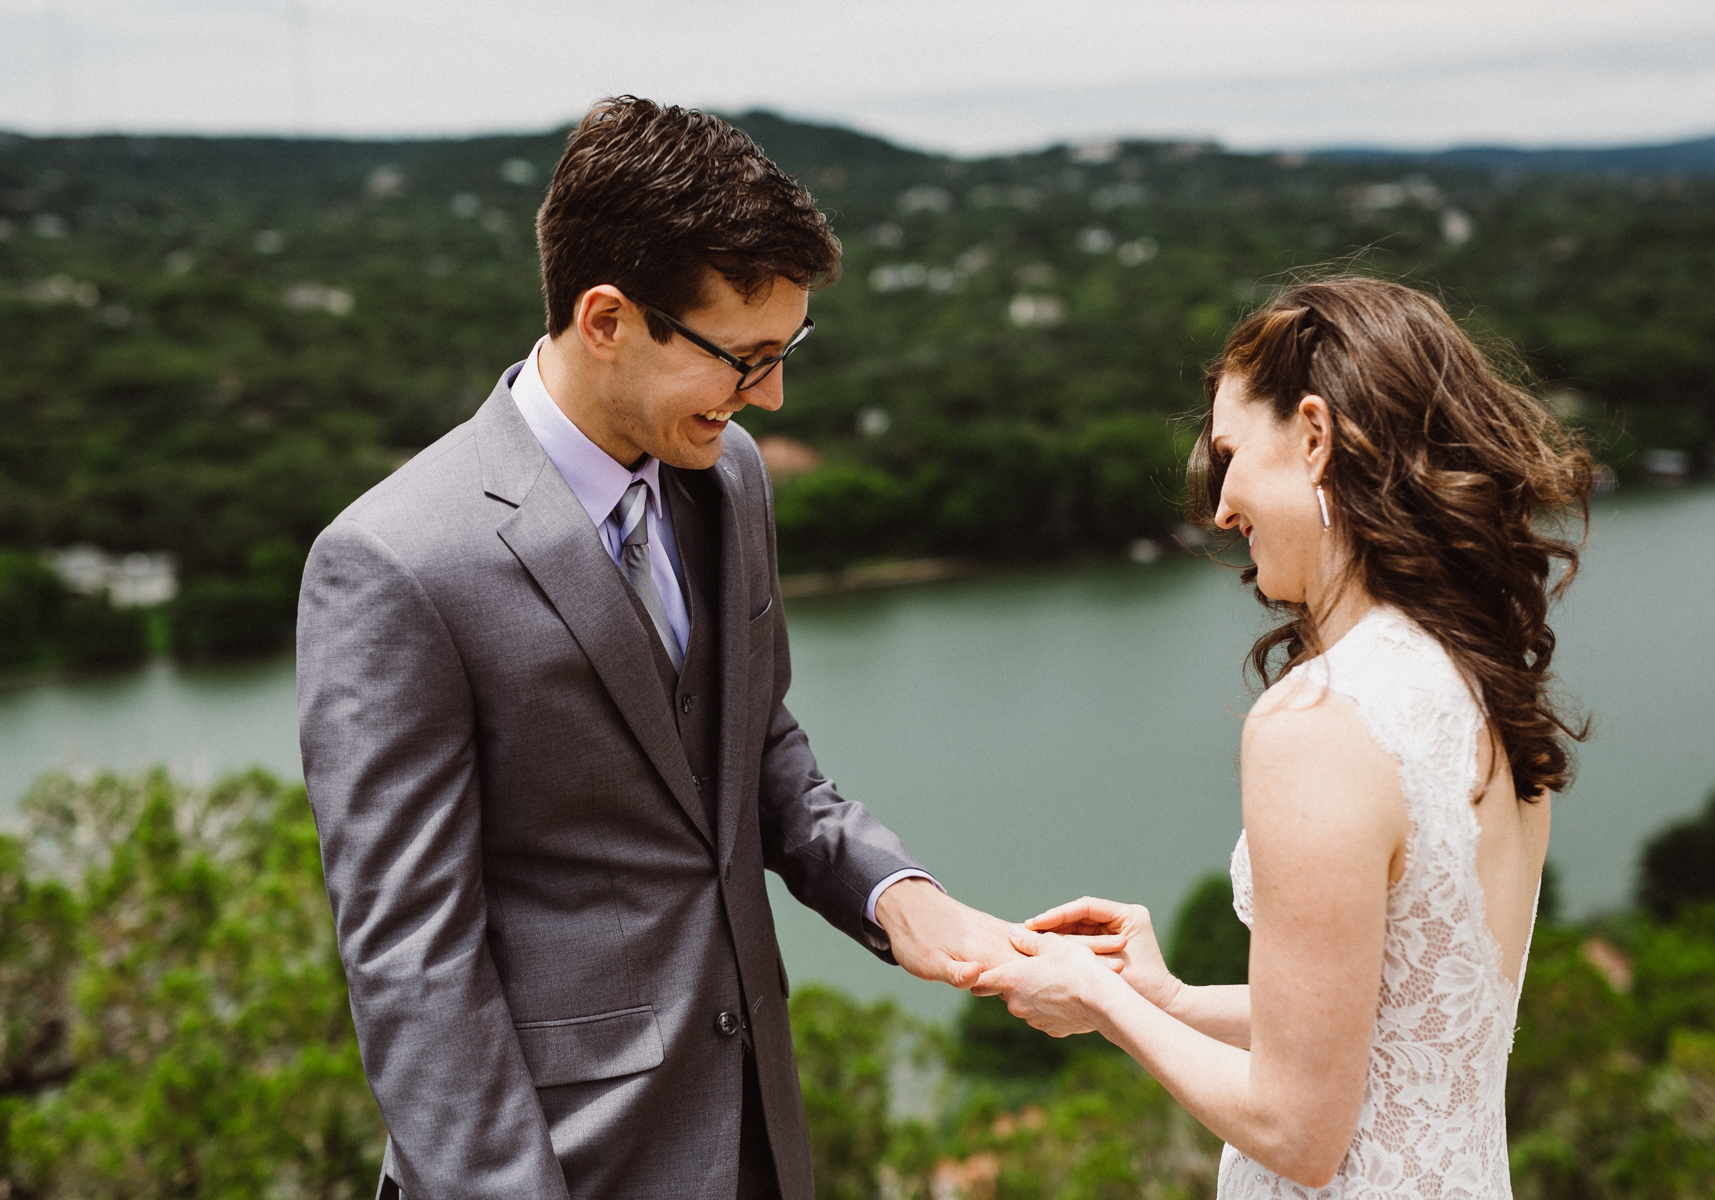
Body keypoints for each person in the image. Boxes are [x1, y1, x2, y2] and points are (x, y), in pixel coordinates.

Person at [296, 96, 1019, 1200]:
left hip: (754, 1143)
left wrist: (900, 897)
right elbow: (412, 963)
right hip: (555, 1165)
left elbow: (756, 746)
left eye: (789, 351)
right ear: (605, 320)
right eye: (747, 358)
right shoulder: (394, 563)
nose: (773, 395)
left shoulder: (727, 479)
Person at [975, 276, 1594, 1197]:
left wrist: (1100, 1000)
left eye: (1229, 454)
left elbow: (1298, 1131)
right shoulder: (1483, 681)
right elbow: (1402, 1026)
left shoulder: (1322, 720)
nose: (1222, 506)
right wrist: (1172, 1000)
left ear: (1314, 437)